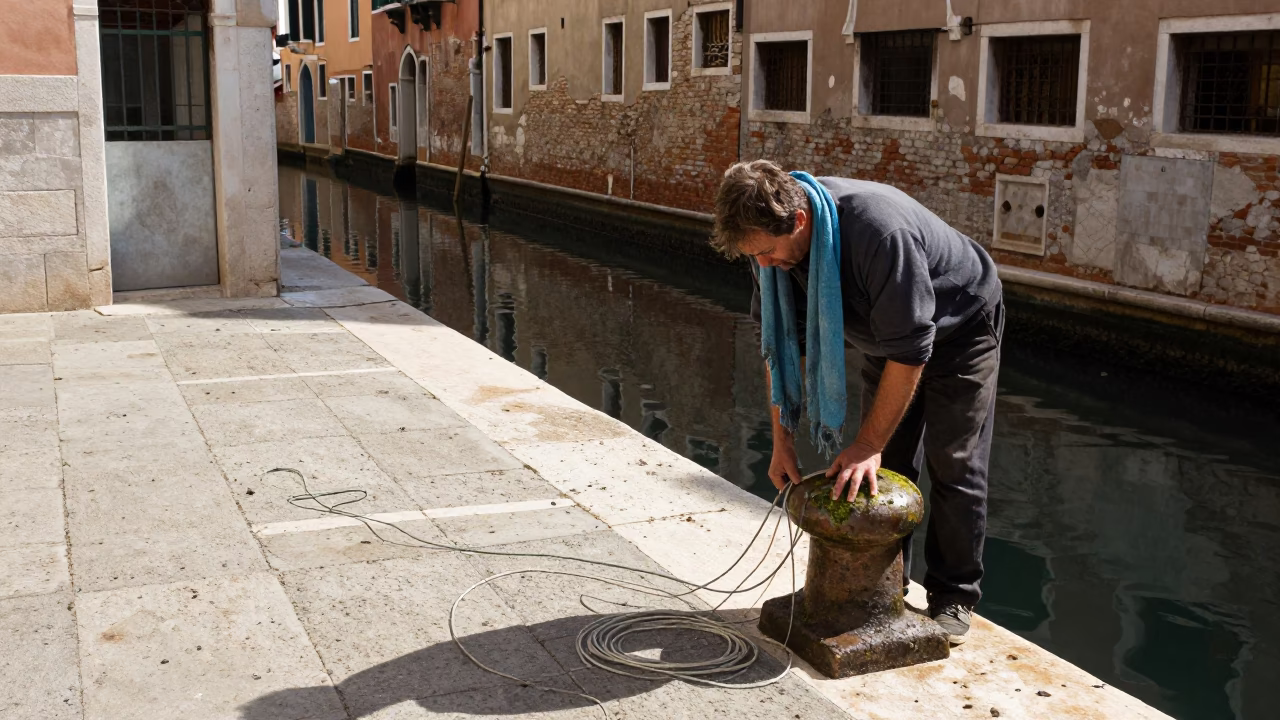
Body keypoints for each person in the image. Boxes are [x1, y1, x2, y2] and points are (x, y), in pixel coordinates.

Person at [710, 160, 1004, 644]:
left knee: (954, 461)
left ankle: (954, 595)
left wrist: (867, 443)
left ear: (798, 221)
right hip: (885, 333)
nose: (762, 265)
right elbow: (781, 349)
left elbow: (911, 353)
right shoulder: (768, 247)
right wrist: (781, 442)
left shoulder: (878, 232)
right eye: (753, 255)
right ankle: (888, 581)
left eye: (766, 252)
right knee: (887, 467)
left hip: (963, 323)